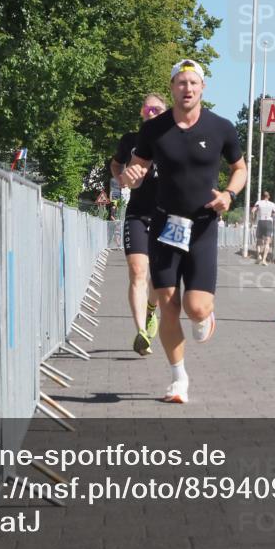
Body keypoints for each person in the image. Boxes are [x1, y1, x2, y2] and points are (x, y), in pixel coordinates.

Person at [120, 59, 246, 404]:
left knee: (196, 308)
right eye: (180, 82)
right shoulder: (154, 129)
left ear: (203, 87)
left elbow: (240, 168)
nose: (187, 88)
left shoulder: (221, 128)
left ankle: (206, 315)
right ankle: (179, 379)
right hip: (165, 225)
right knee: (167, 304)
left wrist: (229, 195)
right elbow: (138, 166)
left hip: (203, 225)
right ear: (172, 86)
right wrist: (132, 175)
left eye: (193, 82)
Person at [111, 93, 168, 356]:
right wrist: (121, 178)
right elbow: (115, 164)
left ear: (165, 112)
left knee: (158, 278)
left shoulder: (172, 141)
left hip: (165, 216)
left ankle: (151, 310)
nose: (152, 112)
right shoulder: (130, 141)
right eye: (148, 109)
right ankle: (141, 333)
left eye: (157, 109)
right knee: (137, 272)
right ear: (141, 112)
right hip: (137, 213)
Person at [250, 190, 275, 265]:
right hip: (269, 222)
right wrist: (273, 217)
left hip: (260, 221)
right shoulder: (272, 204)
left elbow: (253, 211)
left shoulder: (259, 202)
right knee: (267, 243)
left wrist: (253, 219)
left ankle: (259, 257)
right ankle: (264, 260)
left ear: (262, 196)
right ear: (269, 197)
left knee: (258, 241)